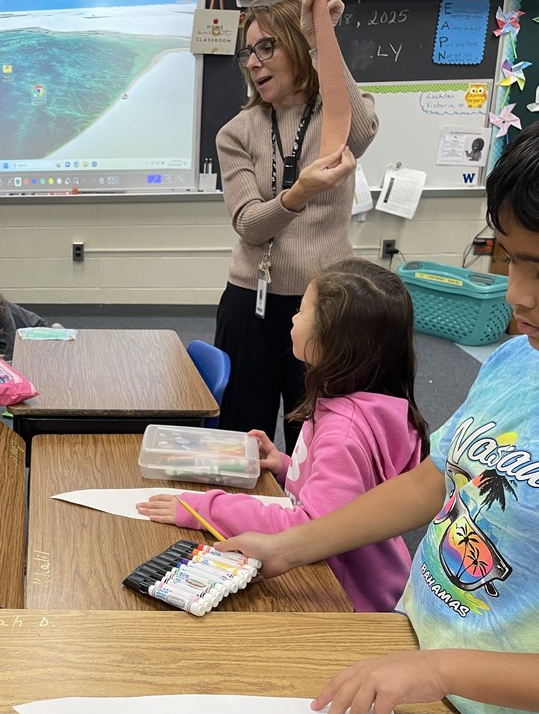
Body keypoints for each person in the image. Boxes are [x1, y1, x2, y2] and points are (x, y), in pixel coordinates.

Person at [217, 122, 539, 714]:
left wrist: (442, 670)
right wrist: (289, 547)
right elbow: (437, 479)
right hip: (410, 651)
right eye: (511, 260)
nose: (515, 297)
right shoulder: (519, 360)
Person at [137, 258, 426, 612]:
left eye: (302, 311)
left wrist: (204, 508)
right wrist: (287, 466)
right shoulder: (358, 405)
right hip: (350, 576)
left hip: (348, 598)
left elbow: (309, 527)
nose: (293, 318)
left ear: (333, 340)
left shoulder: (344, 431)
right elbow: (345, 491)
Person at [214, 0, 379, 454]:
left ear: (295, 44)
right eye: (248, 52)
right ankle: (242, 520)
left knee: (320, 434)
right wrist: (297, 193)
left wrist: (320, 37)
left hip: (324, 305)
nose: (254, 61)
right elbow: (248, 223)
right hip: (252, 302)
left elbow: (363, 130)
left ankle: (310, 523)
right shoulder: (236, 132)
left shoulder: (334, 115)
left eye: (267, 46)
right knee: (242, 432)